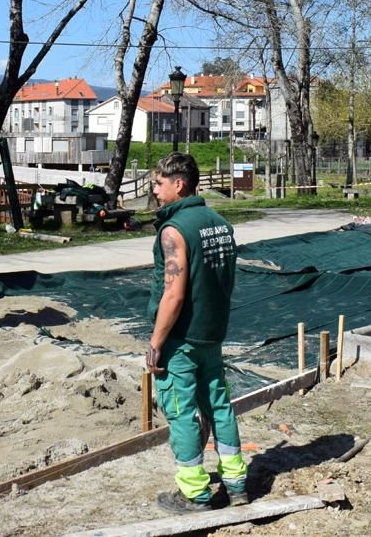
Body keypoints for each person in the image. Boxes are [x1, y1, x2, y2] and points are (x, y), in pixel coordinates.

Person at [145, 151, 247, 513]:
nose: (155, 191)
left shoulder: (175, 231)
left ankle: (195, 493)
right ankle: (236, 483)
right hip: (212, 333)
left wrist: (156, 343)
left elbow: (173, 293)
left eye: (158, 183)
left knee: (182, 411)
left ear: (179, 183)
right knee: (219, 406)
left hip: (182, 339)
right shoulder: (219, 222)